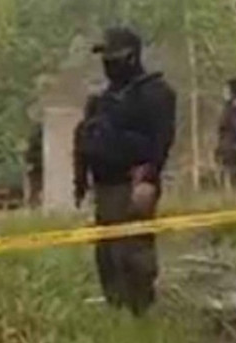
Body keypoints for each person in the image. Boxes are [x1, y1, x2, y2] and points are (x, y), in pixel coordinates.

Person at [76, 27, 176, 316]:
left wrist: (149, 179)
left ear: (131, 57)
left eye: (113, 57)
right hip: (105, 187)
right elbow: (85, 139)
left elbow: (160, 142)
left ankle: (140, 314)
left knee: (133, 255)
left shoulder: (154, 94)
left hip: (132, 184)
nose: (107, 63)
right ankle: (118, 313)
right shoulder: (104, 99)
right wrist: (81, 177)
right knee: (108, 256)